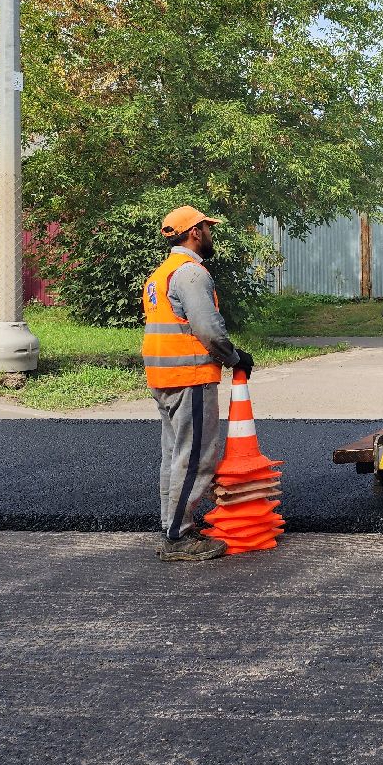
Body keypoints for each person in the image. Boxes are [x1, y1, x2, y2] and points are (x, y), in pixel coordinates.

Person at [142, 205, 255, 562]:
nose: (210, 234)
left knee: (174, 457)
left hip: (163, 377)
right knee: (194, 459)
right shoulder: (191, 273)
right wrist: (234, 357)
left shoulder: (160, 275)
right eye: (208, 229)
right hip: (188, 376)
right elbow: (208, 329)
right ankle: (178, 537)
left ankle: (172, 526)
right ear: (195, 232)